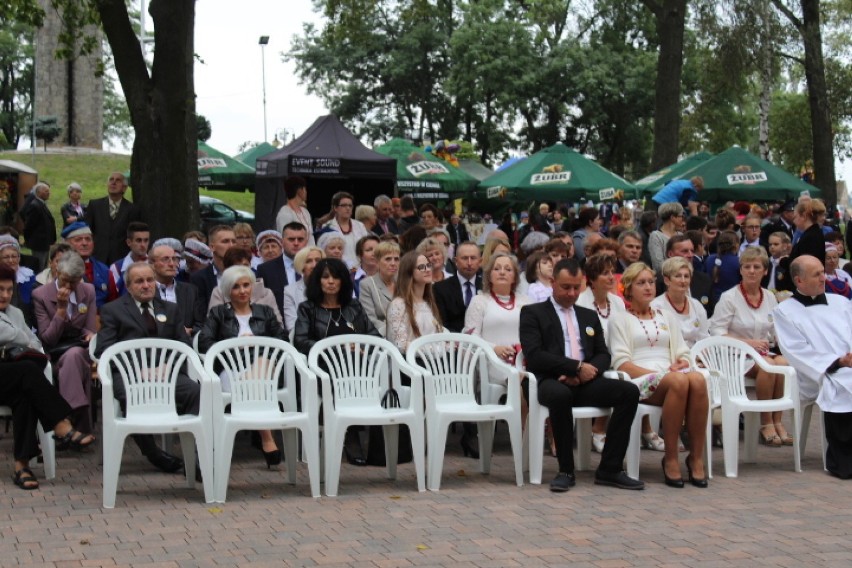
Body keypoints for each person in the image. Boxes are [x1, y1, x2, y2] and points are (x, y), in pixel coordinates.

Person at [519, 258, 644, 492]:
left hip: (584, 382)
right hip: (548, 380)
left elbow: (603, 354)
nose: (572, 293)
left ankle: (610, 468)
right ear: (553, 283)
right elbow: (535, 355)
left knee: (628, 392)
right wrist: (574, 368)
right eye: (566, 287)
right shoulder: (533, 313)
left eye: (577, 287)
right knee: (560, 396)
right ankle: (566, 470)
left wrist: (586, 373)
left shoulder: (587, 315)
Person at [608, 262, 709, 488]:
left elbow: (682, 350)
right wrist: (658, 374)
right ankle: (671, 457)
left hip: (671, 376)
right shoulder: (620, 319)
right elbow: (622, 363)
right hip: (639, 380)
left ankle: (695, 457)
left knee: (697, 380)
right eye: (641, 283)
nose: (648, 287)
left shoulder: (666, 316)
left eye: (651, 282)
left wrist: (683, 360)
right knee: (678, 380)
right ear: (628, 288)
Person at [95, 262, 197, 474]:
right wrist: (137, 371)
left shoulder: (170, 309)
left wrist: (166, 367)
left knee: (197, 392)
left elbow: (184, 346)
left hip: (167, 374)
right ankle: (153, 453)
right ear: (129, 286)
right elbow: (104, 350)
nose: (146, 285)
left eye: (150, 280)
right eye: (139, 281)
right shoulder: (112, 310)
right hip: (130, 376)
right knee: (130, 395)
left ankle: (196, 459)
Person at [0, 264, 94, 490]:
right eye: (0, 290)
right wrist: (19, 337)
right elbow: (14, 335)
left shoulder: (15, 313)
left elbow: (35, 344)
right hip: (10, 373)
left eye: (9, 290)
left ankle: (21, 466)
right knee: (28, 372)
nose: (5, 295)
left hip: (9, 376)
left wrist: (17, 339)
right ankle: (60, 424)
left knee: (26, 395)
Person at [197, 265, 287, 468]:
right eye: (236, 287)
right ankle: (266, 436)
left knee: (263, 363)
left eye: (246, 285)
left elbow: (282, 340)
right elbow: (205, 342)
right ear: (228, 290)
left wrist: (257, 342)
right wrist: (235, 346)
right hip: (231, 371)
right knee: (253, 380)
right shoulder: (218, 313)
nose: (243, 290)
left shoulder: (265, 311)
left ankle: (251, 398)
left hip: (266, 372)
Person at [293, 258, 380, 466]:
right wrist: (334, 347)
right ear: (318, 281)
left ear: (343, 281)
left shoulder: (354, 306)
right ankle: (351, 435)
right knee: (341, 371)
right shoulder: (308, 308)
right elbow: (300, 341)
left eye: (336, 277)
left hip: (357, 366)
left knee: (365, 370)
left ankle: (367, 438)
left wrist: (360, 344)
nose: (331, 281)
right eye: (325, 277)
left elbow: (375, 338)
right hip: (322, 366)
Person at [773, 255, 852, 479]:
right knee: (843, 383)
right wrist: (837, 362)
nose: (823, 277)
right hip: (813, 373)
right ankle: (844, 460)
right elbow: (795, 351)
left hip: (848, 365)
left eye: (822, 272)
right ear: (799, 281)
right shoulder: (785, 311)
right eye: (816, 274)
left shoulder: (841, 303)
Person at [709, 247, 791, 446]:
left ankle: (777, 420)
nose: (752, 271)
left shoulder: (769, 297)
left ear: (765, 271)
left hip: (762, 352)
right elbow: (716, 331)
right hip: (734, 354)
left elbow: (773, 330)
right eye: (747, 267)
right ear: (741, 270)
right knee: (766, 366)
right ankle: (765, 423)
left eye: (757, 267)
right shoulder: (730, 297)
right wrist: (749, 344)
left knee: (782, 362)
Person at [31, 251, 97, 432]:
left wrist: (90, 334)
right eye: (64, 280)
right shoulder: (41, 295)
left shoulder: (88, 291)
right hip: (53, 352)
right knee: (72, 359)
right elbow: (47, 338)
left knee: (75, 356)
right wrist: (60, 310)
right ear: (56, 273)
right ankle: (78, 422)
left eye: (74, 281)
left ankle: (67, 418)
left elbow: (90, 327)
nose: (68, 286)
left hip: (81, 349)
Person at [386, 250, 443, 353]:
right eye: (421, 267)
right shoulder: (398, 304)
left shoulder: (428, 302)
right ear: (409, 272)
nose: (427, 270)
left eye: (428, 265)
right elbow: (401, 345)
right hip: (411, 364)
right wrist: (436, 350)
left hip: (434, 362)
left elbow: (437, 335)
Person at [208, 247, 282, 325]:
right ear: (227, 270)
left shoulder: (266, 293)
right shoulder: (219, 292)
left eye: (245, 265)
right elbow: (213, 325)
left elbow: (278, 325)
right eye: (237, 267)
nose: (242, 270)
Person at [85, 171, 144, 265]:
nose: (113, 182)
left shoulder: (133, 209)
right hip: (97, 258)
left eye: (118, 180)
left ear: (124, 188)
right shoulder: (95, 205)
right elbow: (87, 231)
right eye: (111, 180)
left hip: (121, 260)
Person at [652, 256, 709, 348]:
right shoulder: (656, 306)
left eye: (686, 276)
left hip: (696, 356)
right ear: (667, 280)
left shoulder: (696, 305)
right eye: (678, 276)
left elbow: (704, 337)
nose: (683, 281)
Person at [149, 244, 205, 336]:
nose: (172, 264)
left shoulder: (191, 291)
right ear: (152, 264)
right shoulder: (146, 291)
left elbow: (202, 323)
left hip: (186, 345)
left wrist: (190, 331)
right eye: (165, 259)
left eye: (175, 259)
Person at [60, 222, 118, 308]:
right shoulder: (60, 269)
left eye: (88, 239)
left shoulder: (104, 271)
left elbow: (113, 302)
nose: (84, 243)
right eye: (78, 240)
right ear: (67, 244)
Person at [434, 241, 482, 333]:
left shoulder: (487, 286)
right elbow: (442, 323)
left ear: (480, 261)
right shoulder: (440, 289)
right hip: (453, 342)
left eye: (473, 258)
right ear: (456, 261)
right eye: (464, 258)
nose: (469, 262)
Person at [191, 225, 236, 312]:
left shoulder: (249, 274)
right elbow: (200, 313)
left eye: (234, 241)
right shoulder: (199, 278)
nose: (231, 245)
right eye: (225, 241)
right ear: (212, 247)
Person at [359, 240, 400, 337]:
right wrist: (394, 333)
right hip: (382, 338)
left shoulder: (404, 282)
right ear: (377, 262)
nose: (393, 263)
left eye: (396, 259)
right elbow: (370, 319)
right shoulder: (367, 285)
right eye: (388, 259)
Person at [282, 246, 325, 334]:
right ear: (301, 266)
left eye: (318, 260)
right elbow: (292, 326)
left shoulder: (332, 286)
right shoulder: (290, 291)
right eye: (309, 261)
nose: (314, 265)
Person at [322, 191, 369, 268]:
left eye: (350, 205)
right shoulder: (327, 227)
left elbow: (366, 248)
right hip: (337, 268)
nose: (348, 208)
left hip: (360, 269)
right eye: (344, 205)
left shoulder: (360, 226)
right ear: (335, 208)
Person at [0, 235, 37, 327]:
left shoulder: (28, 277)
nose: (11, 260)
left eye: (14, 256)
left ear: (19, 258)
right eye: (6, 257)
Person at [109, 221, 150, 296]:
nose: (143, 245)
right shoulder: (116, 268)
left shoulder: (155, 264)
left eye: (146, 240)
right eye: (138, 240)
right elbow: (113, 297)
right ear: (128, 242)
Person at [21, 182, 56, 270]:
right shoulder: (35, 205)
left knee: (44, 265)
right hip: (39, 243)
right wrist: (29, 239)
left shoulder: (42, 204)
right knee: (39, 266)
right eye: (46, 191)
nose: (49, 193)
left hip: (45, 243)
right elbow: (29, 225)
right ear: (39, 192)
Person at [275, 175, 314, 245]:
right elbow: (287, 240)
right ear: (300, 191)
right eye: (305, 189)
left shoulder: (305, 212)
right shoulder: (285, 213)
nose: (306, 192)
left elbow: (311, 237)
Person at [705, 230, 741, 304]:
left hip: (712, 301)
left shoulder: (709, 259)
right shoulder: (738, 262)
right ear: (736, 245)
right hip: (732, 301)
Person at [648, 202, 685, 273]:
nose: (682, 219)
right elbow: (658, 265)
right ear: (673, 218)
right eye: (681, 216)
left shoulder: (680, 235)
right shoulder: (656, 236)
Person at [789, 198, 827, 267]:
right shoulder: (813, 233)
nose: (794, 221)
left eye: (795, 217)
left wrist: (783, 261)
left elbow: (805, 265)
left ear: (803, 216)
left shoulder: (810, 237)